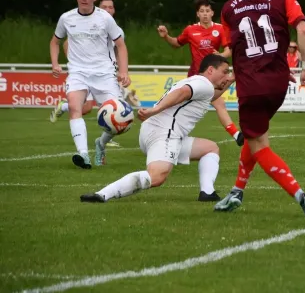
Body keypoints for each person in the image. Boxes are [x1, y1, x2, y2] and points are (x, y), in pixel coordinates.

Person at [213, 0, 305, 218]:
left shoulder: (228, 8)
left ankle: (301, 195)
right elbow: (302, 29)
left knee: (259, 144)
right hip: (279, 82)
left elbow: (232, 50)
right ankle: (236, 192)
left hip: (251, 85)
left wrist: (225, 77)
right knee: (255, 134)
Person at [79, 54, 233, 203]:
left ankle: (207, 193)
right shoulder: (204, 84)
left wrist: (234, 78)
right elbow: (183, 92)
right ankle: (102, 195)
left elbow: (211, 95)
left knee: (210, 148)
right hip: (164, 133)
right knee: (157, 176)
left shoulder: (200, 84)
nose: (227, 76)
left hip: (155, 131)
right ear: (210, 70)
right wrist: (155, 110)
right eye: (224, 72)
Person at [49, 0, 131, 169]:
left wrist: (123, 72)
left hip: (104, 74)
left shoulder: (105, 18)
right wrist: (55, 63)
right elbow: (55, 41)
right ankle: (83, 154)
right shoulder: (66, 18)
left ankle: (100, 144)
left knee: (120, 118)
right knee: (75, 107)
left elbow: (121, 45)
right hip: (78, 73)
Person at [157, 0, 244, 147]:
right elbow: (177, 43)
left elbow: (229, 50)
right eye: (202, 11)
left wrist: (221, 56)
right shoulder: (190, 30)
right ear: (197, 14)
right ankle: (161, 126)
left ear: (212, 13)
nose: (205, 14)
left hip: (213, 77)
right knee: (179, 104)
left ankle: (236, 135)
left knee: (219, 103)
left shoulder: (220, 29)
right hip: (195, 77)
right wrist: (166, 37)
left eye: (207, 11)